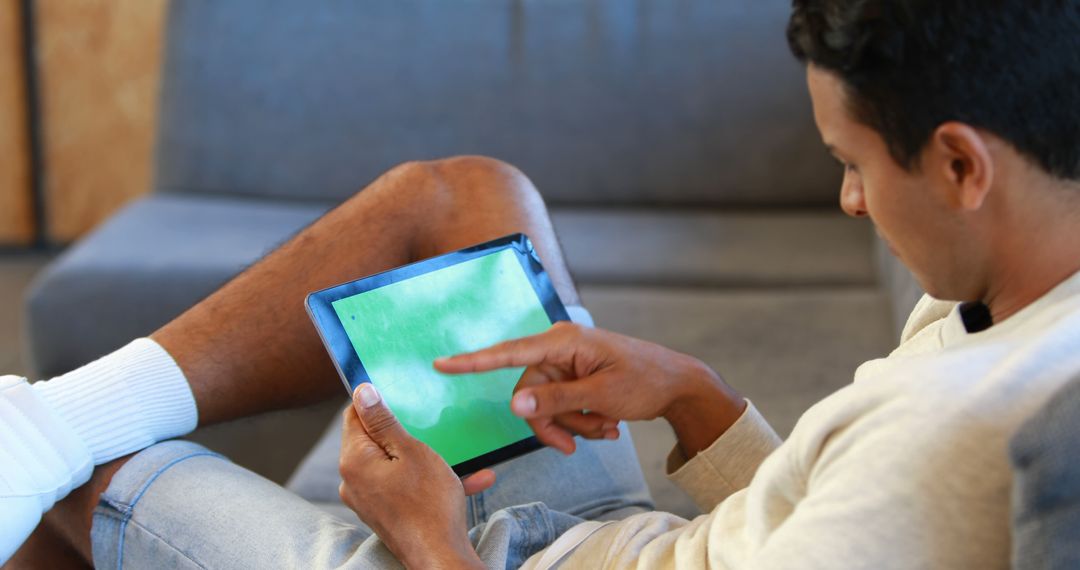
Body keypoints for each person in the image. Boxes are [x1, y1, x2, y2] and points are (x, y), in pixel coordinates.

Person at [5, 0, 1080, 566]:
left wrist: (426, 533)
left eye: (852, 165)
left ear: (958, 163)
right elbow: (804, 531)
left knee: (88, 477)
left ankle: (52, 442)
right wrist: (686, 389)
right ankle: (49, 423)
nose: (850, 201)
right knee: (471, 197)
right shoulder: (1020, 288)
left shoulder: (948, 442)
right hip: (615, 543)